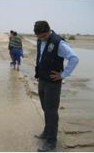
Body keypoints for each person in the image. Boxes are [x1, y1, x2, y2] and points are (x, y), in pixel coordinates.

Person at [33, 21, 79, 152]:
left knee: (51, 111)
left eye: (43, 36)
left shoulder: (59, 43)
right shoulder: (40, 40)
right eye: (39, 37)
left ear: (48, 31)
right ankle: (47, 131)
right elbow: (41, 57)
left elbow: (74, 58)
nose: (41, 39)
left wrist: (63, 74)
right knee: (45, 108)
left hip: (53, 83)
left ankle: (51, 142)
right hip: (42, 79)